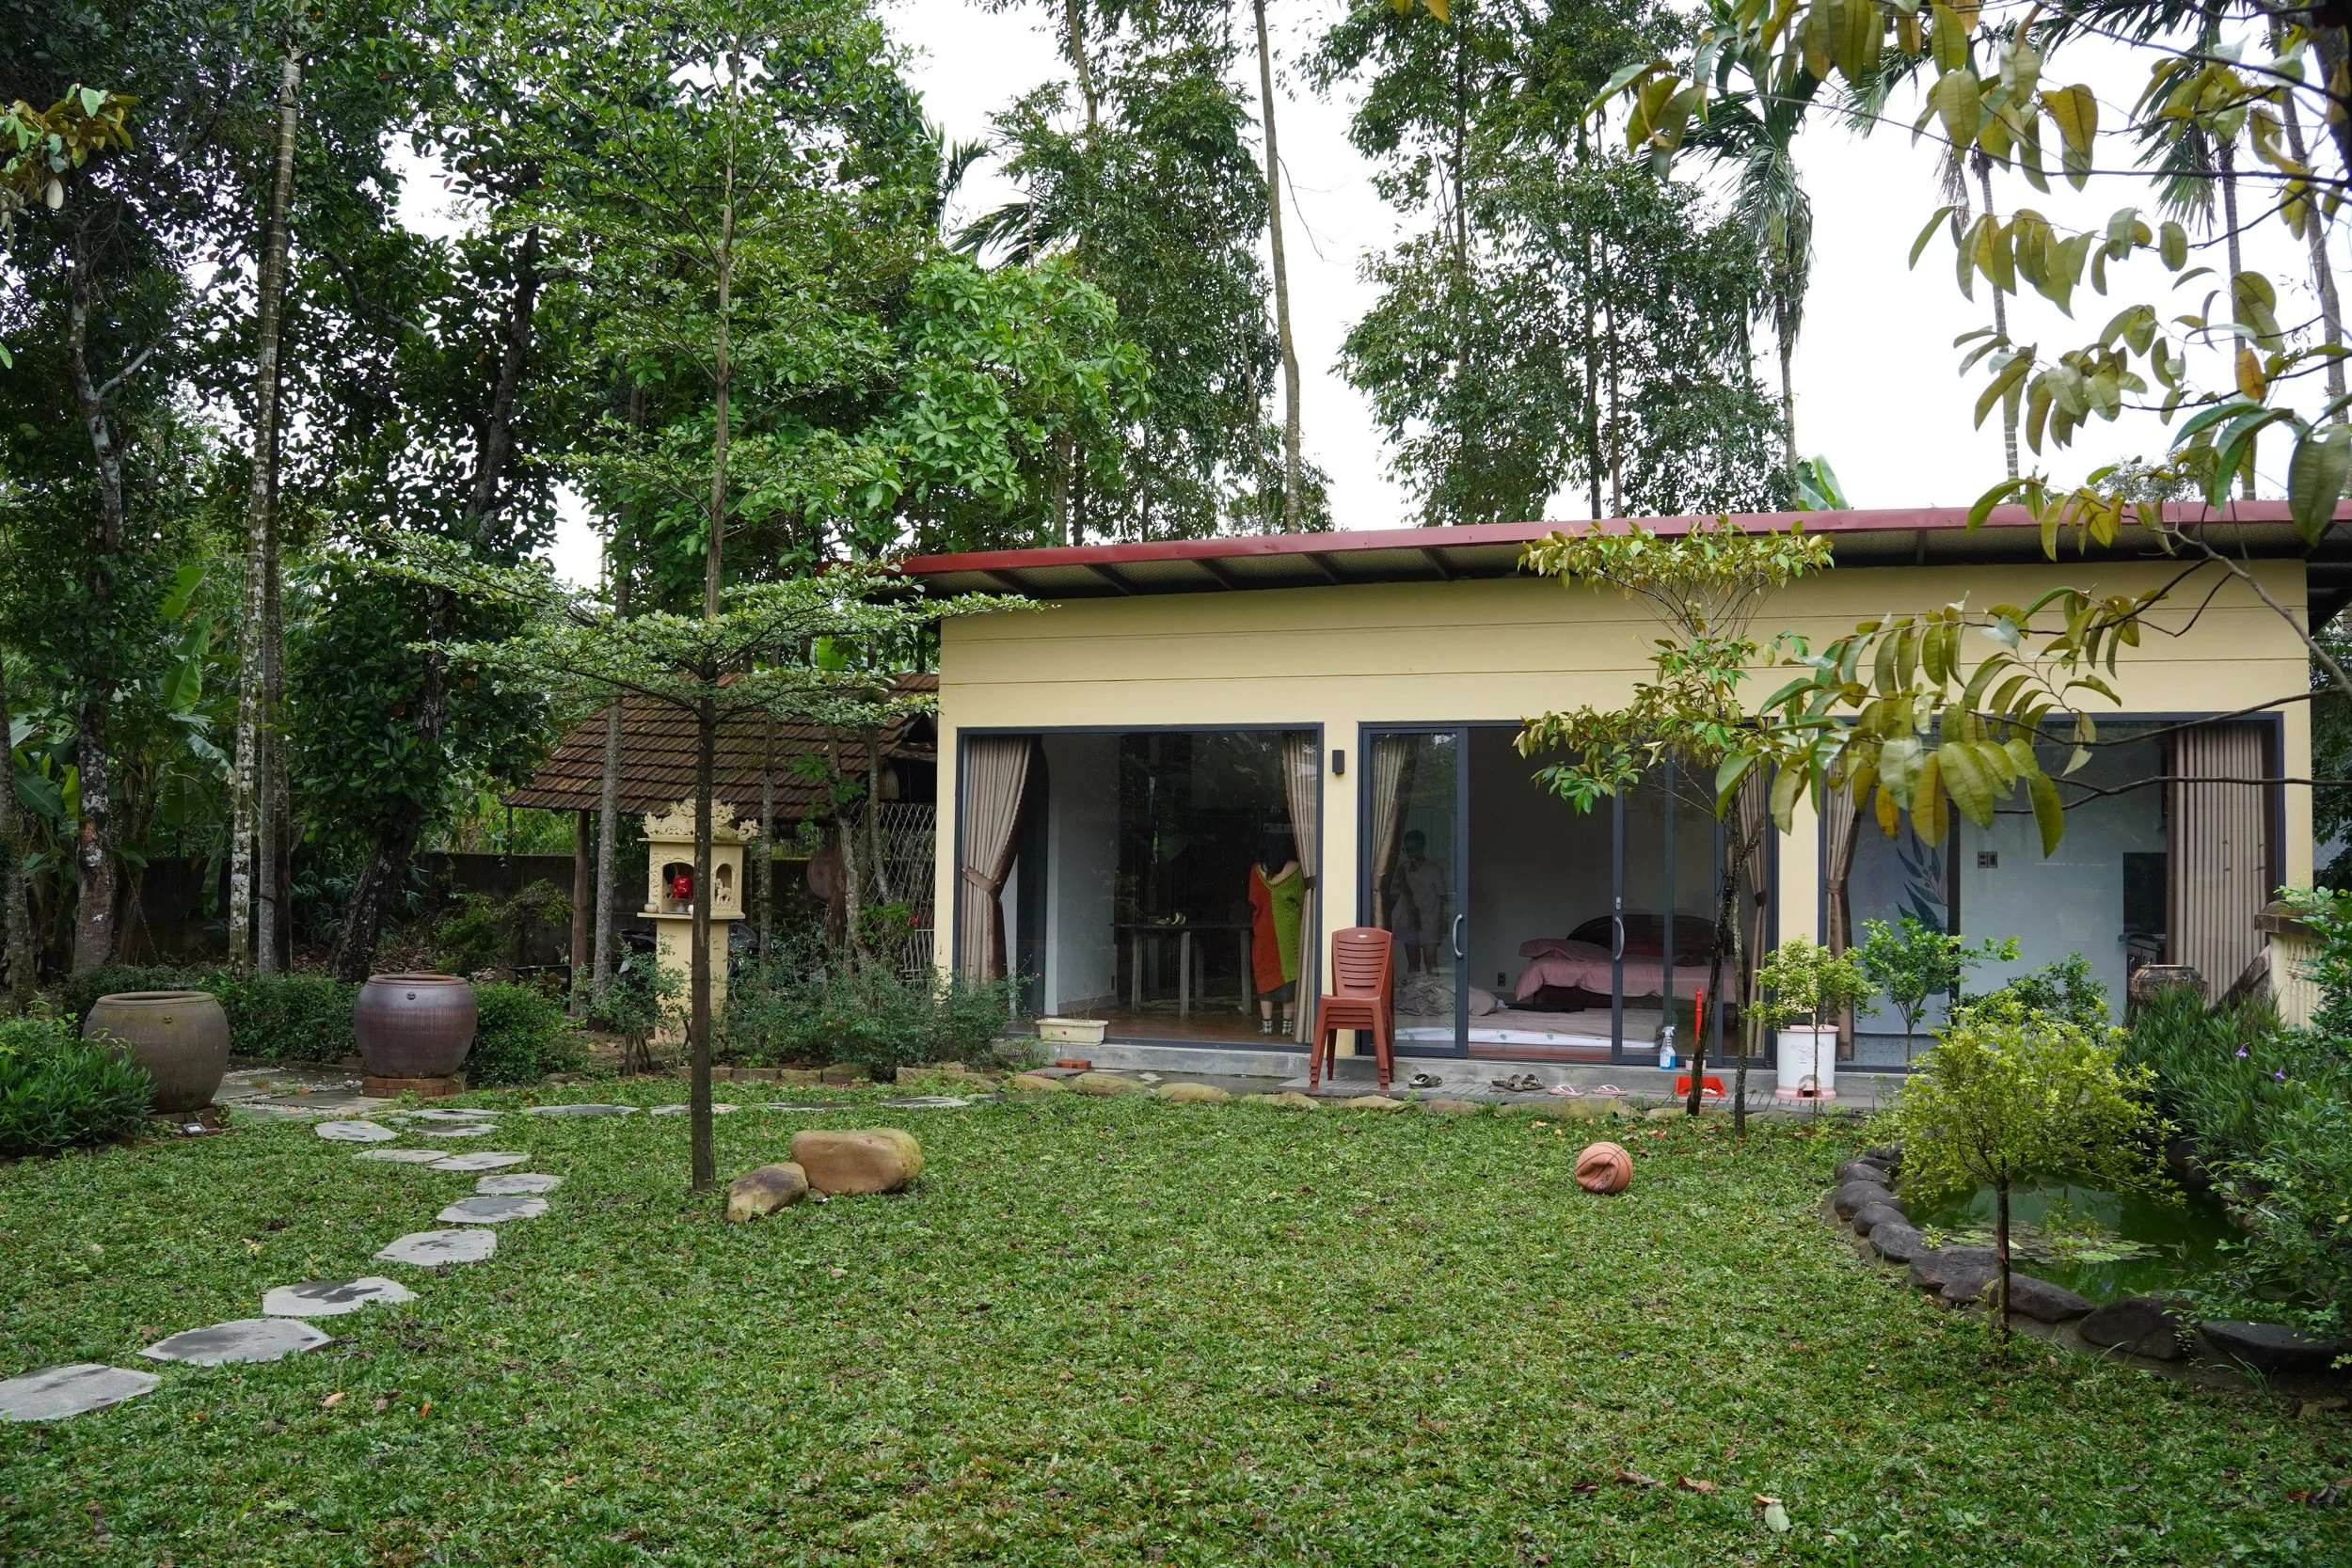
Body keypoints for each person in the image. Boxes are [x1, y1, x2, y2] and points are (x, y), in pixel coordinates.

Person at [1247, 828, 1305, 1037]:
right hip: (1290, 933)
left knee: (1264, 976)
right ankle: (1288, 1025)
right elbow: (1302, 899)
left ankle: (1267, 1025)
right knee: (1290, 977)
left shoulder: (1256, 871)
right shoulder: (1297, 870)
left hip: (1263, 931)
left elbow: (1253, 899)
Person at [1388, 829, 1449, 973]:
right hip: (1408, 921)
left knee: (1431, 964)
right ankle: (1414, 994)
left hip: (1429, 921)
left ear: (1421, 847)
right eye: (1406, 849)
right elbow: (1394, 895)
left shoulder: (1433, 870)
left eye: (1413, 849)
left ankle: (1434, 994)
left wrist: (1444, 923)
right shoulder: (1403, 869)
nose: (1409, 853)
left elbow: (1443, 899)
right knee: (1413, 963)